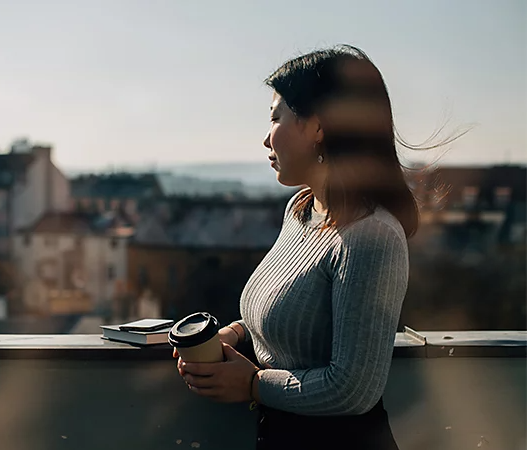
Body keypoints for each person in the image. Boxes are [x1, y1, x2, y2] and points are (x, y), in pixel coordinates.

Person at [173, 45, 418, 449]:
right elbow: (288, 321)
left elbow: (354, 389)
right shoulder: (301, 210)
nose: (266, 137)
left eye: (276, 116)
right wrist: (231, 337)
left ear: (318, 127)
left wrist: (253, 384)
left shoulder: (372, 237)